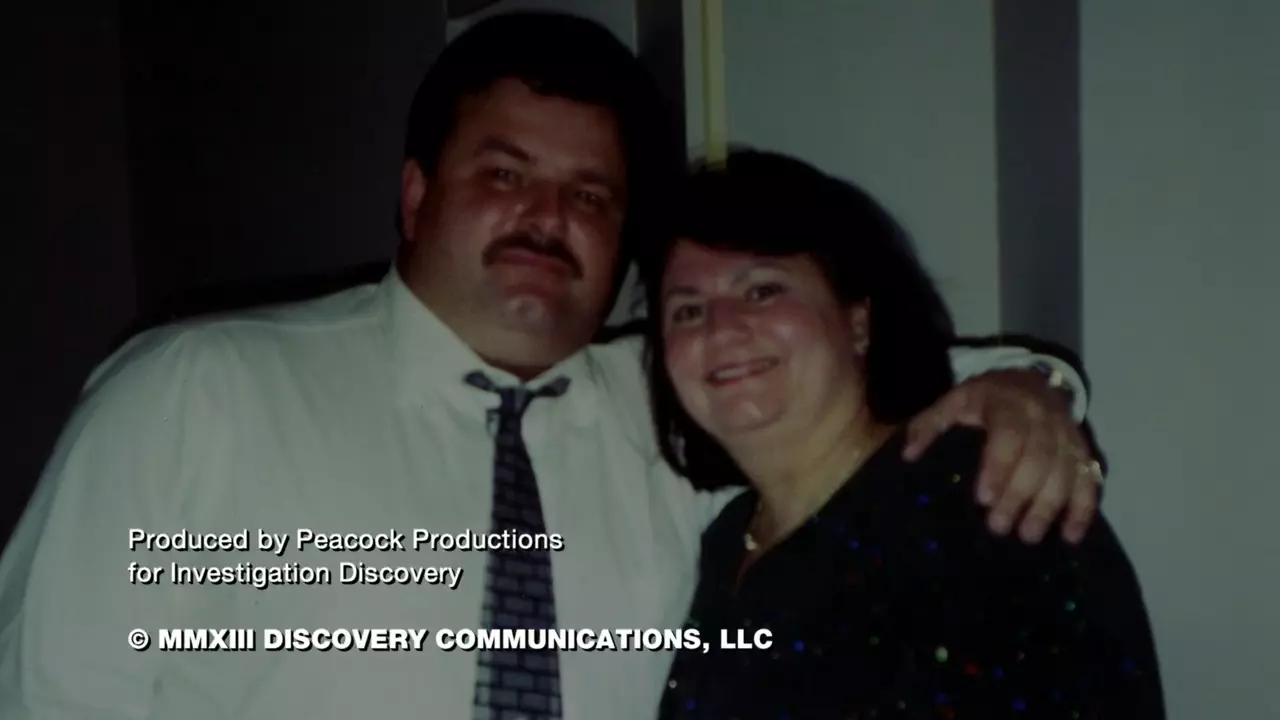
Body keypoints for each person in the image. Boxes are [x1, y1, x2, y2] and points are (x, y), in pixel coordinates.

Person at [0, 12, 1103, 720]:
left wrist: (1029, 393)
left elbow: (864, 375)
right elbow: (51, 696)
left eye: (590, 195)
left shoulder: (678, 405)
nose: (547, 217)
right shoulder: (196, 393)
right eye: (504, 174)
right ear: (416, 196)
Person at [647, 150, 1163, 719]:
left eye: (763, 290)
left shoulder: (980, 496)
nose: (721, 328)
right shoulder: (725, 541)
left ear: (858, 323)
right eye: (687, 311)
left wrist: (1033, 384)